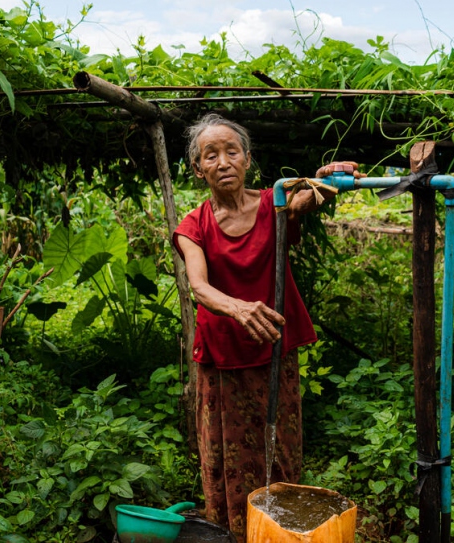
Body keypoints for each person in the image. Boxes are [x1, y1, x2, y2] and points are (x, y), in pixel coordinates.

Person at [172, 112, 360, 540]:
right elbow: (199, 286)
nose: (223, 162)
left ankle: (281, 531)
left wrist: (326, 180)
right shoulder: (193, 225)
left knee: (279, 448)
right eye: (210, 155)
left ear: (247, 159)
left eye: (231, 151)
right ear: (199, 169)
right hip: (222, 355)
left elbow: (306, 198)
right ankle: (232, 532)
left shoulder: (274, 202)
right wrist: (238, 309)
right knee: (226, 454)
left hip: (272, 346)